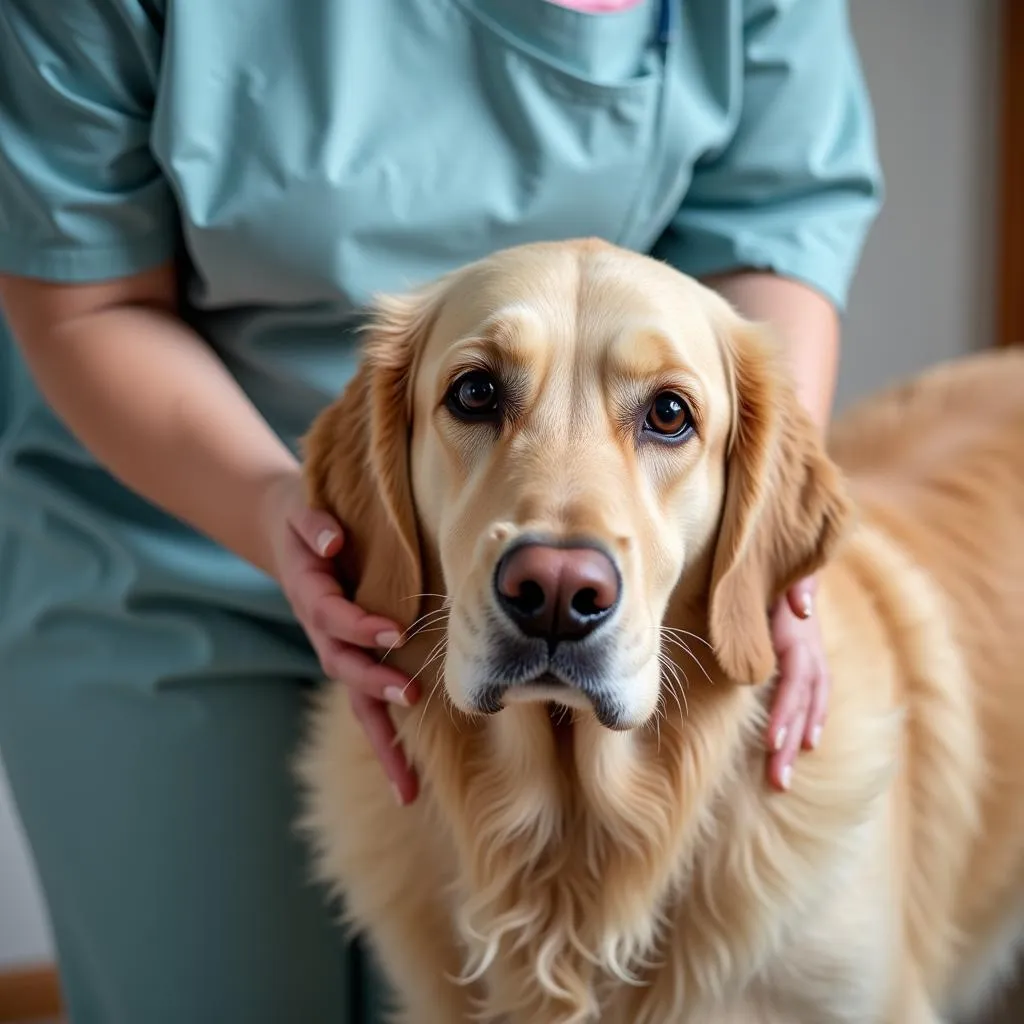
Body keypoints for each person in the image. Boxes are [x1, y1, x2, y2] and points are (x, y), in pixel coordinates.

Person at [0, 0, 882, 1020]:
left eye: (668, 416)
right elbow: (88, 299)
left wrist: (755, 556)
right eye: (476, 393)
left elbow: (767, 242)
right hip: (157, 542)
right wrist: (282, 510)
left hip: (557, 588)